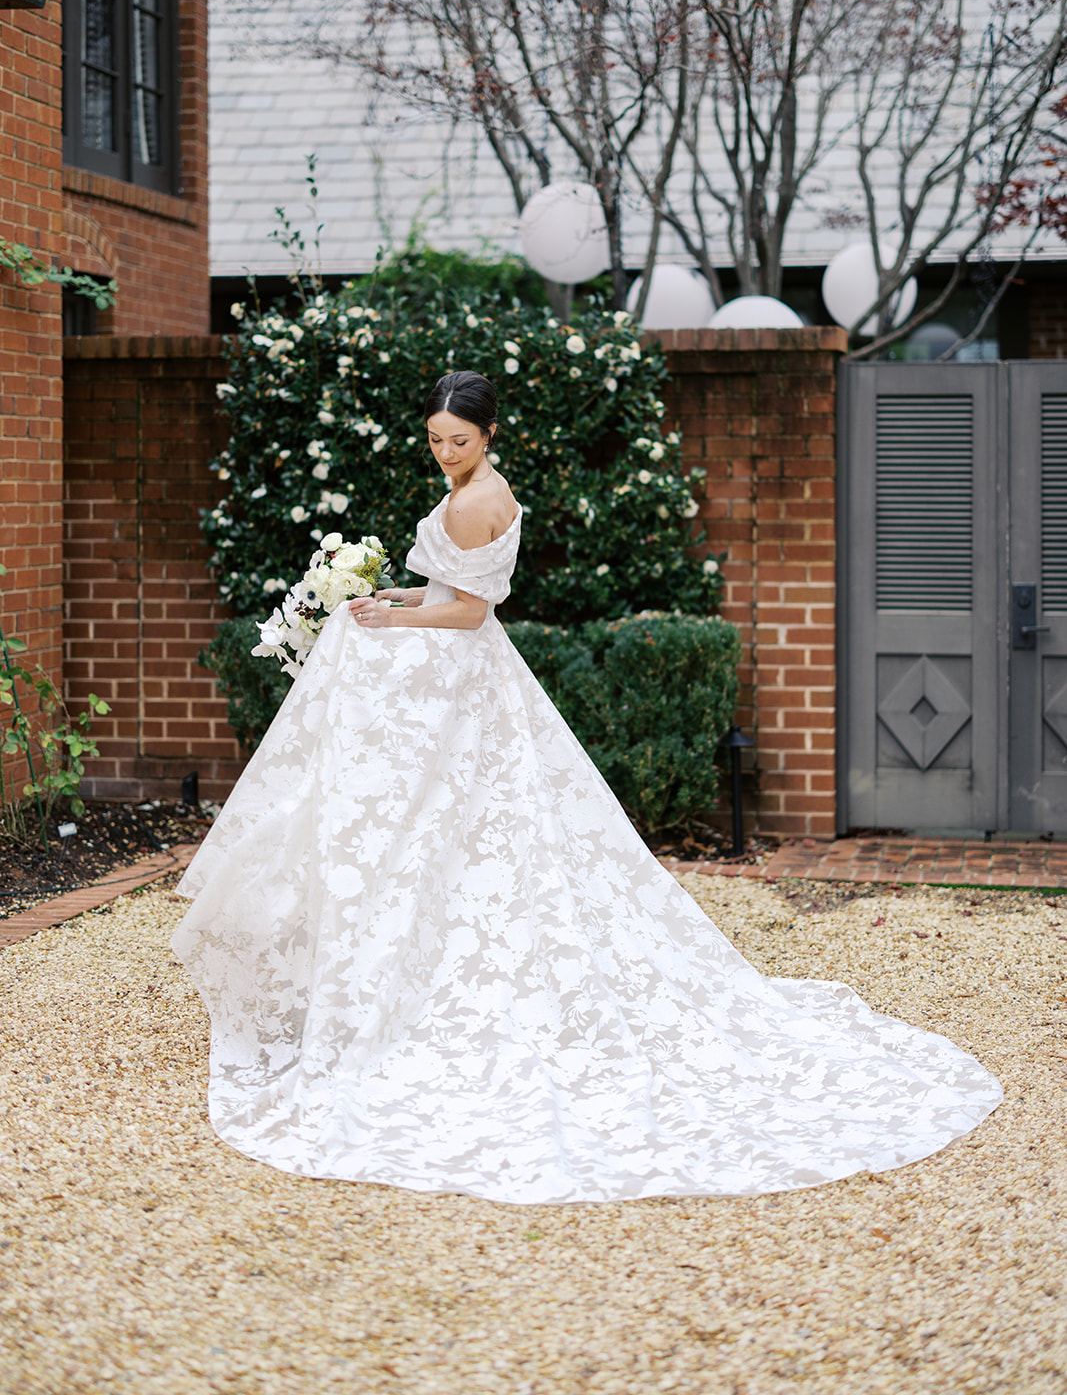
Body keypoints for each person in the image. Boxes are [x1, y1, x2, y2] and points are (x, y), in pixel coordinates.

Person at [172, 370, 1001, 1204]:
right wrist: (391, 594)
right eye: (433, 439)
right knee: (478, 826)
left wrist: (391, 618)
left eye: (457, 440)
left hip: (462, 670)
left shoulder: (470, 501)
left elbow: (466, 614)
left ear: (487, 436)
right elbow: (449, 593)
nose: (444, 452)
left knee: (466, 825)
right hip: (471, 682)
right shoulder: (486, 489)